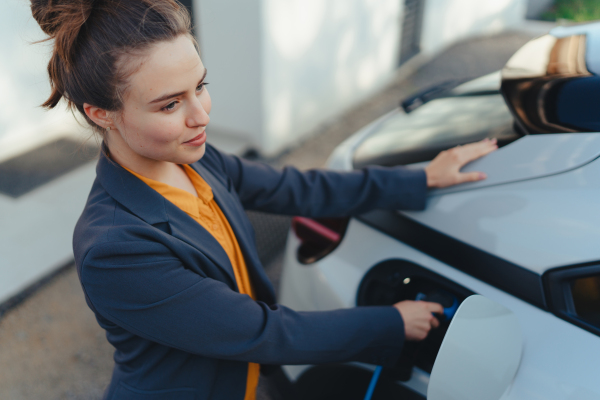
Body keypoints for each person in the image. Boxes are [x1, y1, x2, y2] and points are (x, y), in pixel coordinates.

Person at [30, 0, 498, 399]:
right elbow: (260, 332)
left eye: (201, 86)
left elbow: (296, 188)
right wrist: (390, 325)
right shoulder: (115, 248)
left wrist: (419, 180)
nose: (201, 115)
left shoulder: (194, 159)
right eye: (170, 104)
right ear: (102, 113)